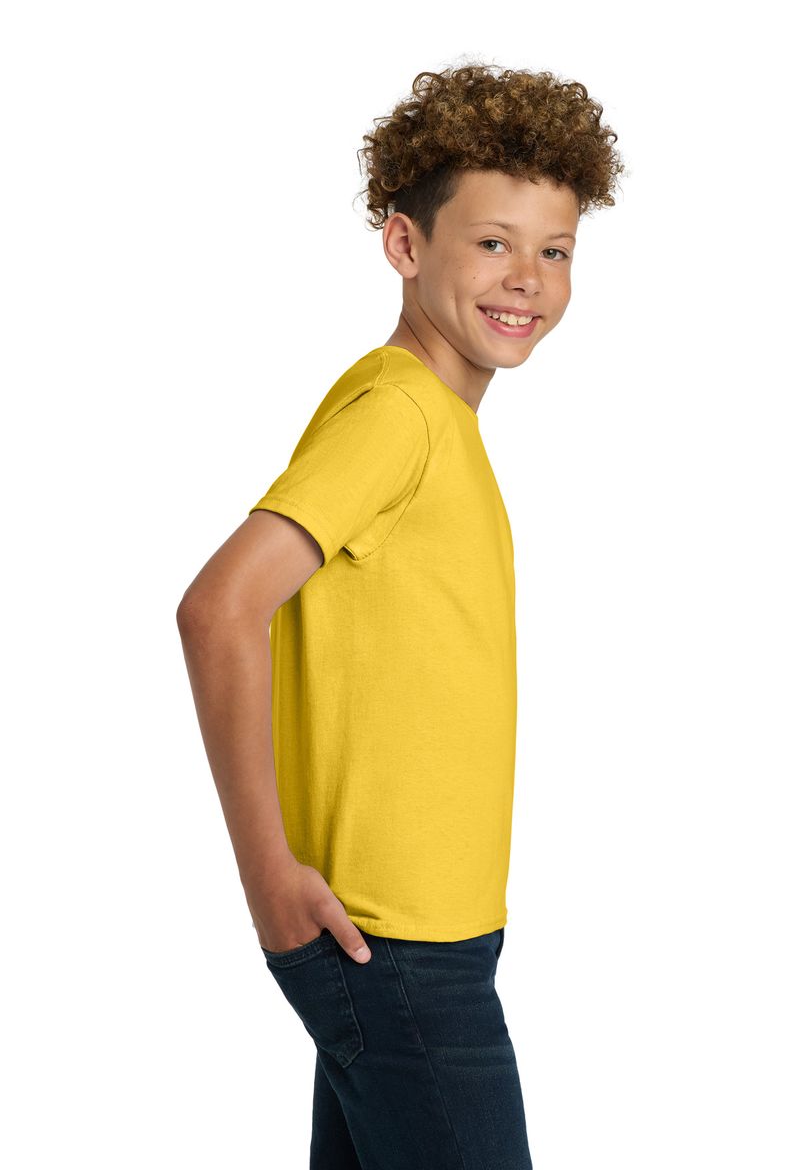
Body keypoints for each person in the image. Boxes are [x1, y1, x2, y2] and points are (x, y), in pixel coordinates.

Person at [177, 61, 625, 1169]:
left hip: (428, 938)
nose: (525, 279)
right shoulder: (400, 417)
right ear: (404, 244)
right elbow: (219, 606)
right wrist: (269, 880)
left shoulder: (429, 417)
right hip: (394, 947)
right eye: (492, 242)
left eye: (555, 250)